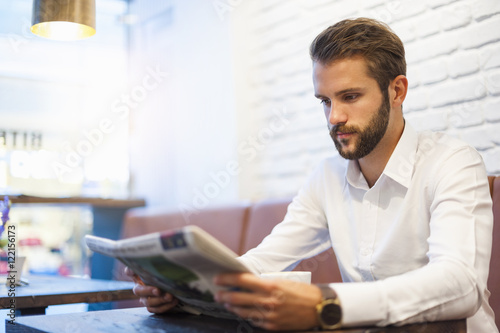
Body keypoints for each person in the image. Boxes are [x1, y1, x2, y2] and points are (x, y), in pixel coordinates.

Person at [129, 17, 497, 332]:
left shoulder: (453, 162)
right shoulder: (326, 177)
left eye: (350, 96)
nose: (334, 116)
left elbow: (461, 284)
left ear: (396, 90)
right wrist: (182, 289)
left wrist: (326, 302)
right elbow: (263, 261)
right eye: (325, 100)